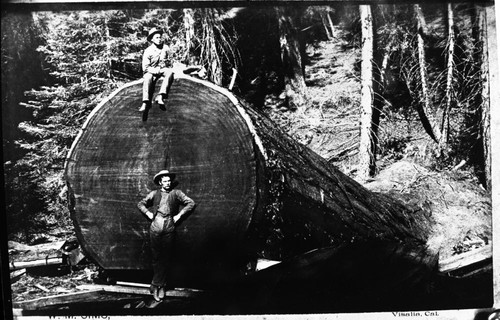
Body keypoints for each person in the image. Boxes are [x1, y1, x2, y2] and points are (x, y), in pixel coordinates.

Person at [137, 170, 196, 301]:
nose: (167, 183)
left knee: (166, 257)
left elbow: (191, 203)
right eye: (164, 181)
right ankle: (158, 285)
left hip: (169, 225)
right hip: (156, 226)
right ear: (160, 182)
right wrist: (148, 213)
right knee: (156, 256)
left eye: (169, 181)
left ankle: (158, 286)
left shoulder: (176, 193)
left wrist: (179, 215)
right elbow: (140, 204)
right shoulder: (154, 193)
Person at [139, 28, 174, 112]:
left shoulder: (165, 48)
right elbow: (145, 67)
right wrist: (156, 71)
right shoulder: (148, 51)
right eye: (157, 38)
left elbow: (171, 60)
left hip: (162, 69)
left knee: (169, 72)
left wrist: (167, 64)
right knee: (147, 78)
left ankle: (160, 96)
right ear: (152, 39)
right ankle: (145, 102)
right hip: (151, 71)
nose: (159, 39)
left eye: (160, 37)